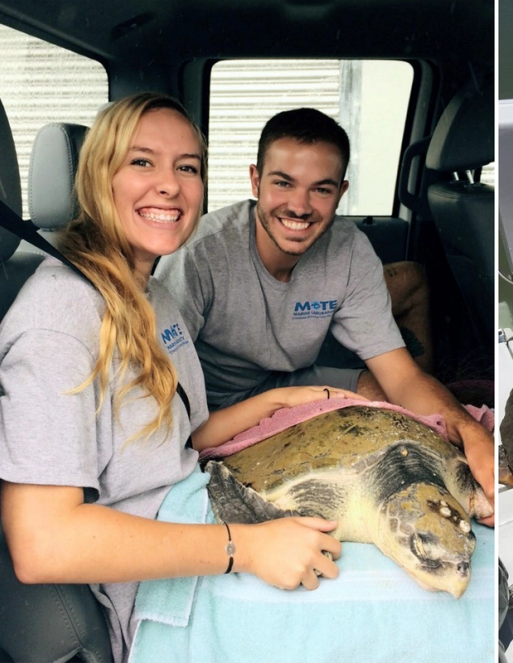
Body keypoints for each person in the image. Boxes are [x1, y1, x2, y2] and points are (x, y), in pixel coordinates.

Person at [0, 94, 365, 663]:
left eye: (187, 167)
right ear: (99, 176)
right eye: (141, 162)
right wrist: (244, 548)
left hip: (201, 511)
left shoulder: (150, 294)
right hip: (160, 594)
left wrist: (291, 399)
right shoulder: (58, 320)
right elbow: (42, 542)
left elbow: (187, 439)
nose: (169, 185)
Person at [155, 107, 496, 522]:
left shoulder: (349, 250)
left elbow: (401, 376)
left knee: (381, 394)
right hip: (210, 405)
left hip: (293, 379)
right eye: (283, 183)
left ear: (341, 191)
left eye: (321, 189)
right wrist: (272, 405)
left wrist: (468, 431)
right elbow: (162, 404)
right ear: (255, 181)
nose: (300, 206)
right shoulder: (201, 253)